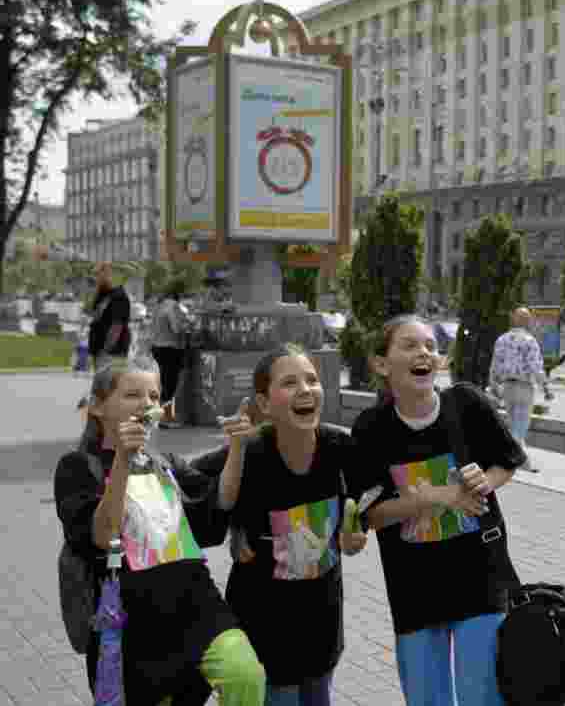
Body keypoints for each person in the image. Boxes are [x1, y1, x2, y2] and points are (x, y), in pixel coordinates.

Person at [53, 355, 266, 706]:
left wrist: (238, 449)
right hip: (132, 626)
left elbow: (215, 508)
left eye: (153, 396)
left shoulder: (164, 464)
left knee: (245, 674)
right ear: (97, 407)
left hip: (196, 605)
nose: (147, 404)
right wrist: (122, 457)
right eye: (133, 394)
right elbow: (103, 537)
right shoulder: (77, 468)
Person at [351, 314, 526, 706]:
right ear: (382, 364)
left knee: (483, 698)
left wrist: (487, 482)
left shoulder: (466, 404)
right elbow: (370, 515)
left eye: (430, 345)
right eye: (410, 345)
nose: (424, 353)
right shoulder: (371, 429)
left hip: (480, 580)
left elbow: (507, 461)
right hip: (414, 590)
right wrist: (433, 498)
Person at [190, 345, 368, 706]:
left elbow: (371, 494)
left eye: (312, 380)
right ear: (265, 402)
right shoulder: (249, 451)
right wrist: (237, 518)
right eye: (289, 383)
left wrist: (358, 527)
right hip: (264, 630)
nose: (305, 389)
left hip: (322, 626)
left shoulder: (340, 447)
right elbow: (190, 483)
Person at [488, 306, 553, 472]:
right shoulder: (529, 341)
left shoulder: (502, 340)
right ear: (526, 321)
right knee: (520, 428)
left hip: (507, 387)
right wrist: (546, 387)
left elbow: (495, 366)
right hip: (525, 388)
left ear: (513, 320)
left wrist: (494, 386)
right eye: (529, 319)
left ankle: (523, 463)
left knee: (514, 424)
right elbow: (535, 367)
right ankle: (507, 460)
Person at [151, 279, 189, 429]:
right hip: (170, 348)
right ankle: (165, 419)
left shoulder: (159, 305)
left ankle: (160, 417)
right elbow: (177, 328)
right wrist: (187, 326)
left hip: (158, 347)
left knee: (164, 384)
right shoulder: (172, 306)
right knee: (170, 385)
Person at [87, 262, 132, 371]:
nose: (95, 278)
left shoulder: (119, 296)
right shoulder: (102, 294)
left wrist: (106, 351)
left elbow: (117, 326)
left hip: (113, 353)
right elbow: (94, 315)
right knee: (101, 386)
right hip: (99, 352)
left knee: (111, 386)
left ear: (107, 274)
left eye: (97, 274)